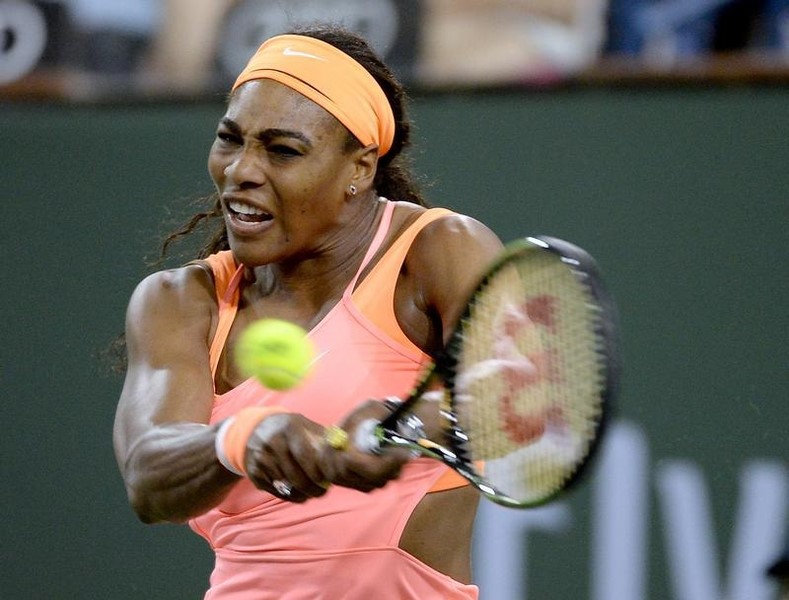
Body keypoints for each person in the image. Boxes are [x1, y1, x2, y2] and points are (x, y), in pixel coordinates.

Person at [112, 23, 504, 599]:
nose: (241, 170)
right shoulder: (179, 301)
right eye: (230, 138)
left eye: (283, 150)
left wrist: (402, 425)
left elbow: (510, 386)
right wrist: (243, 438)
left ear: (359, 169)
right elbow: (149, 477)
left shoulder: (439, 251)